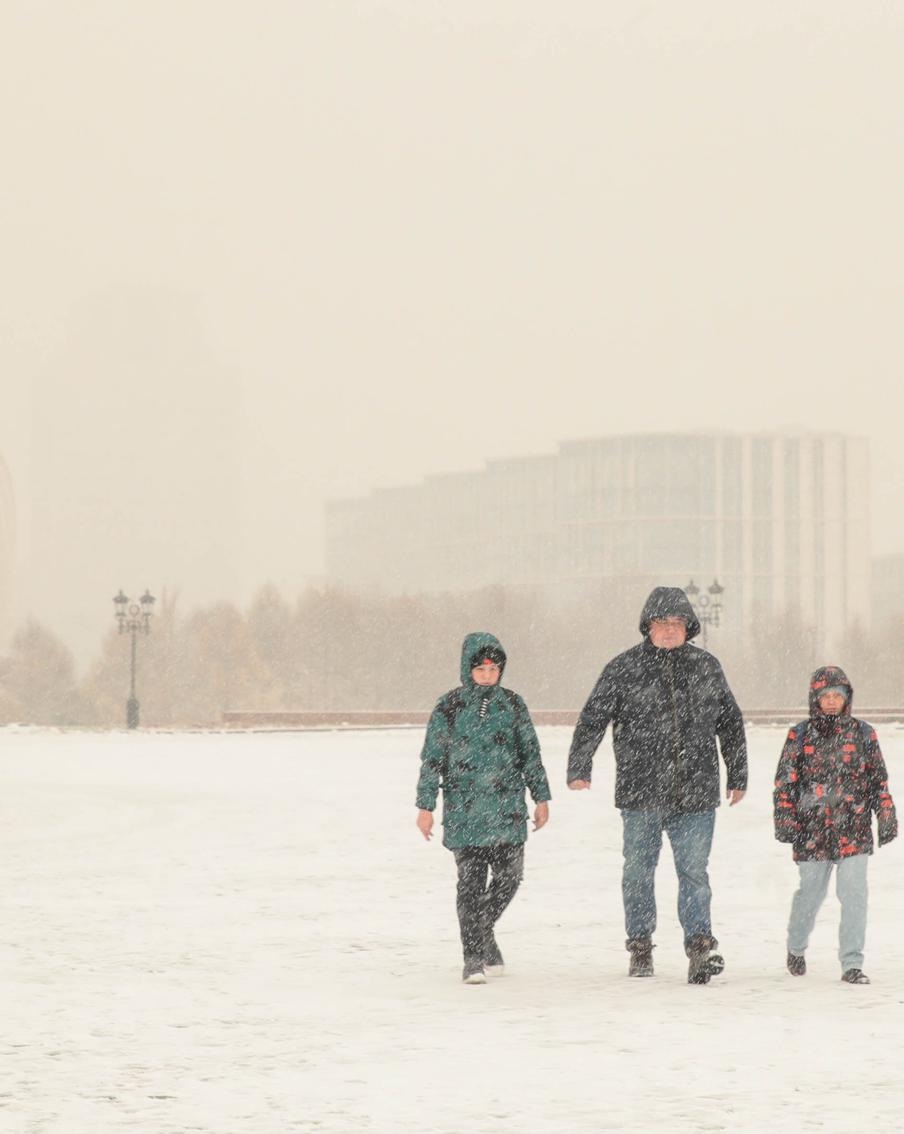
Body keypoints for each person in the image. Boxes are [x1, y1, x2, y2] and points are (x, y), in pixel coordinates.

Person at [566, 586, 747, 984]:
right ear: (648, 626)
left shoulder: (706, 667)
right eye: (662, 623)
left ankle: (700, 949)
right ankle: (640, 947)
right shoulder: (623, 668)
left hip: (696, 793)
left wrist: (738, 775)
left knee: (695, 873)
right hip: (641, 792)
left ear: (688, 627)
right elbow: (594, 717)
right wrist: (580, 764)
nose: (669, 630)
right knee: (638, 872)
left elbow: (730, 723)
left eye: (677, 623)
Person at [415, 632, 551, 984]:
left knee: (510, 878)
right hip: (465, 810)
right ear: (468, 669)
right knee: (470, 885)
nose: (489, 674)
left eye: (494, 668)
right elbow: (432, 759)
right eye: (481, 668)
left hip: (506, 808)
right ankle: (473, 957)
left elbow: (530, 755)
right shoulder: (449, 707)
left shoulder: (513, 705)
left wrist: (541, 798)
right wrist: (425, 806)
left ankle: (482, 930)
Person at [773, 665, 897, 985]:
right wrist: (785, 818)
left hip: (853, 828)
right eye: (824, 696)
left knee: (854, 894)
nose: (830, 701)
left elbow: (877, 781)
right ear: (815, 699)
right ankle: (796, 947)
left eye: (836, 696)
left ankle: (851, 963)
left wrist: (885, 814)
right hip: (811, 829)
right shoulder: (799, 734)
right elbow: (785, 782)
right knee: (810, 895)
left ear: (847, 699)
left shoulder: (864, 733)